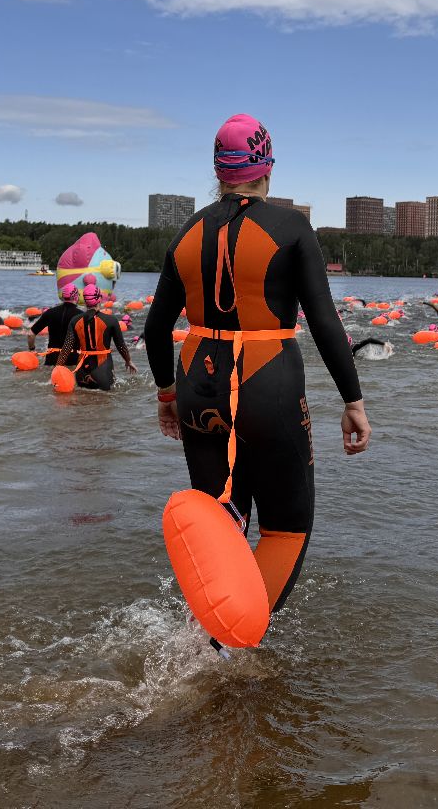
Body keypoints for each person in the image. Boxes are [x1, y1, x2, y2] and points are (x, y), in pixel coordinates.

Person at [143, 113, 371, 622]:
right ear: (267, 167)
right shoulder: (291, 228)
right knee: (286, 529)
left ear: (218, 172)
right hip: (268, 382)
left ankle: (200, 643)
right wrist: (353, 402)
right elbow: (326, 323)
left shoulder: (186, 231)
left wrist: (165, 398)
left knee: (222, 522)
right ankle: (231, 647)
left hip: (197, 385)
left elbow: (155, 329)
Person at [56, 283, 137, 390]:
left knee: (82, 401)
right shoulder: (111, 320)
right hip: (103, 371)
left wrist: (57, 369)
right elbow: (121, 346)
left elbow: (66, 348)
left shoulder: (75, 320)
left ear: (84, 300)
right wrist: (128, 361)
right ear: (99, 299)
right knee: (105, 400)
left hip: (81, 373)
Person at [27, 284, 82, 365]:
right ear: (76, 297)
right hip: (72, 359)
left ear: (62, 296)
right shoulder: (81, 316)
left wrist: (32, 349)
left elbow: (31, 334)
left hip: (52, 359)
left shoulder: (50, 312)